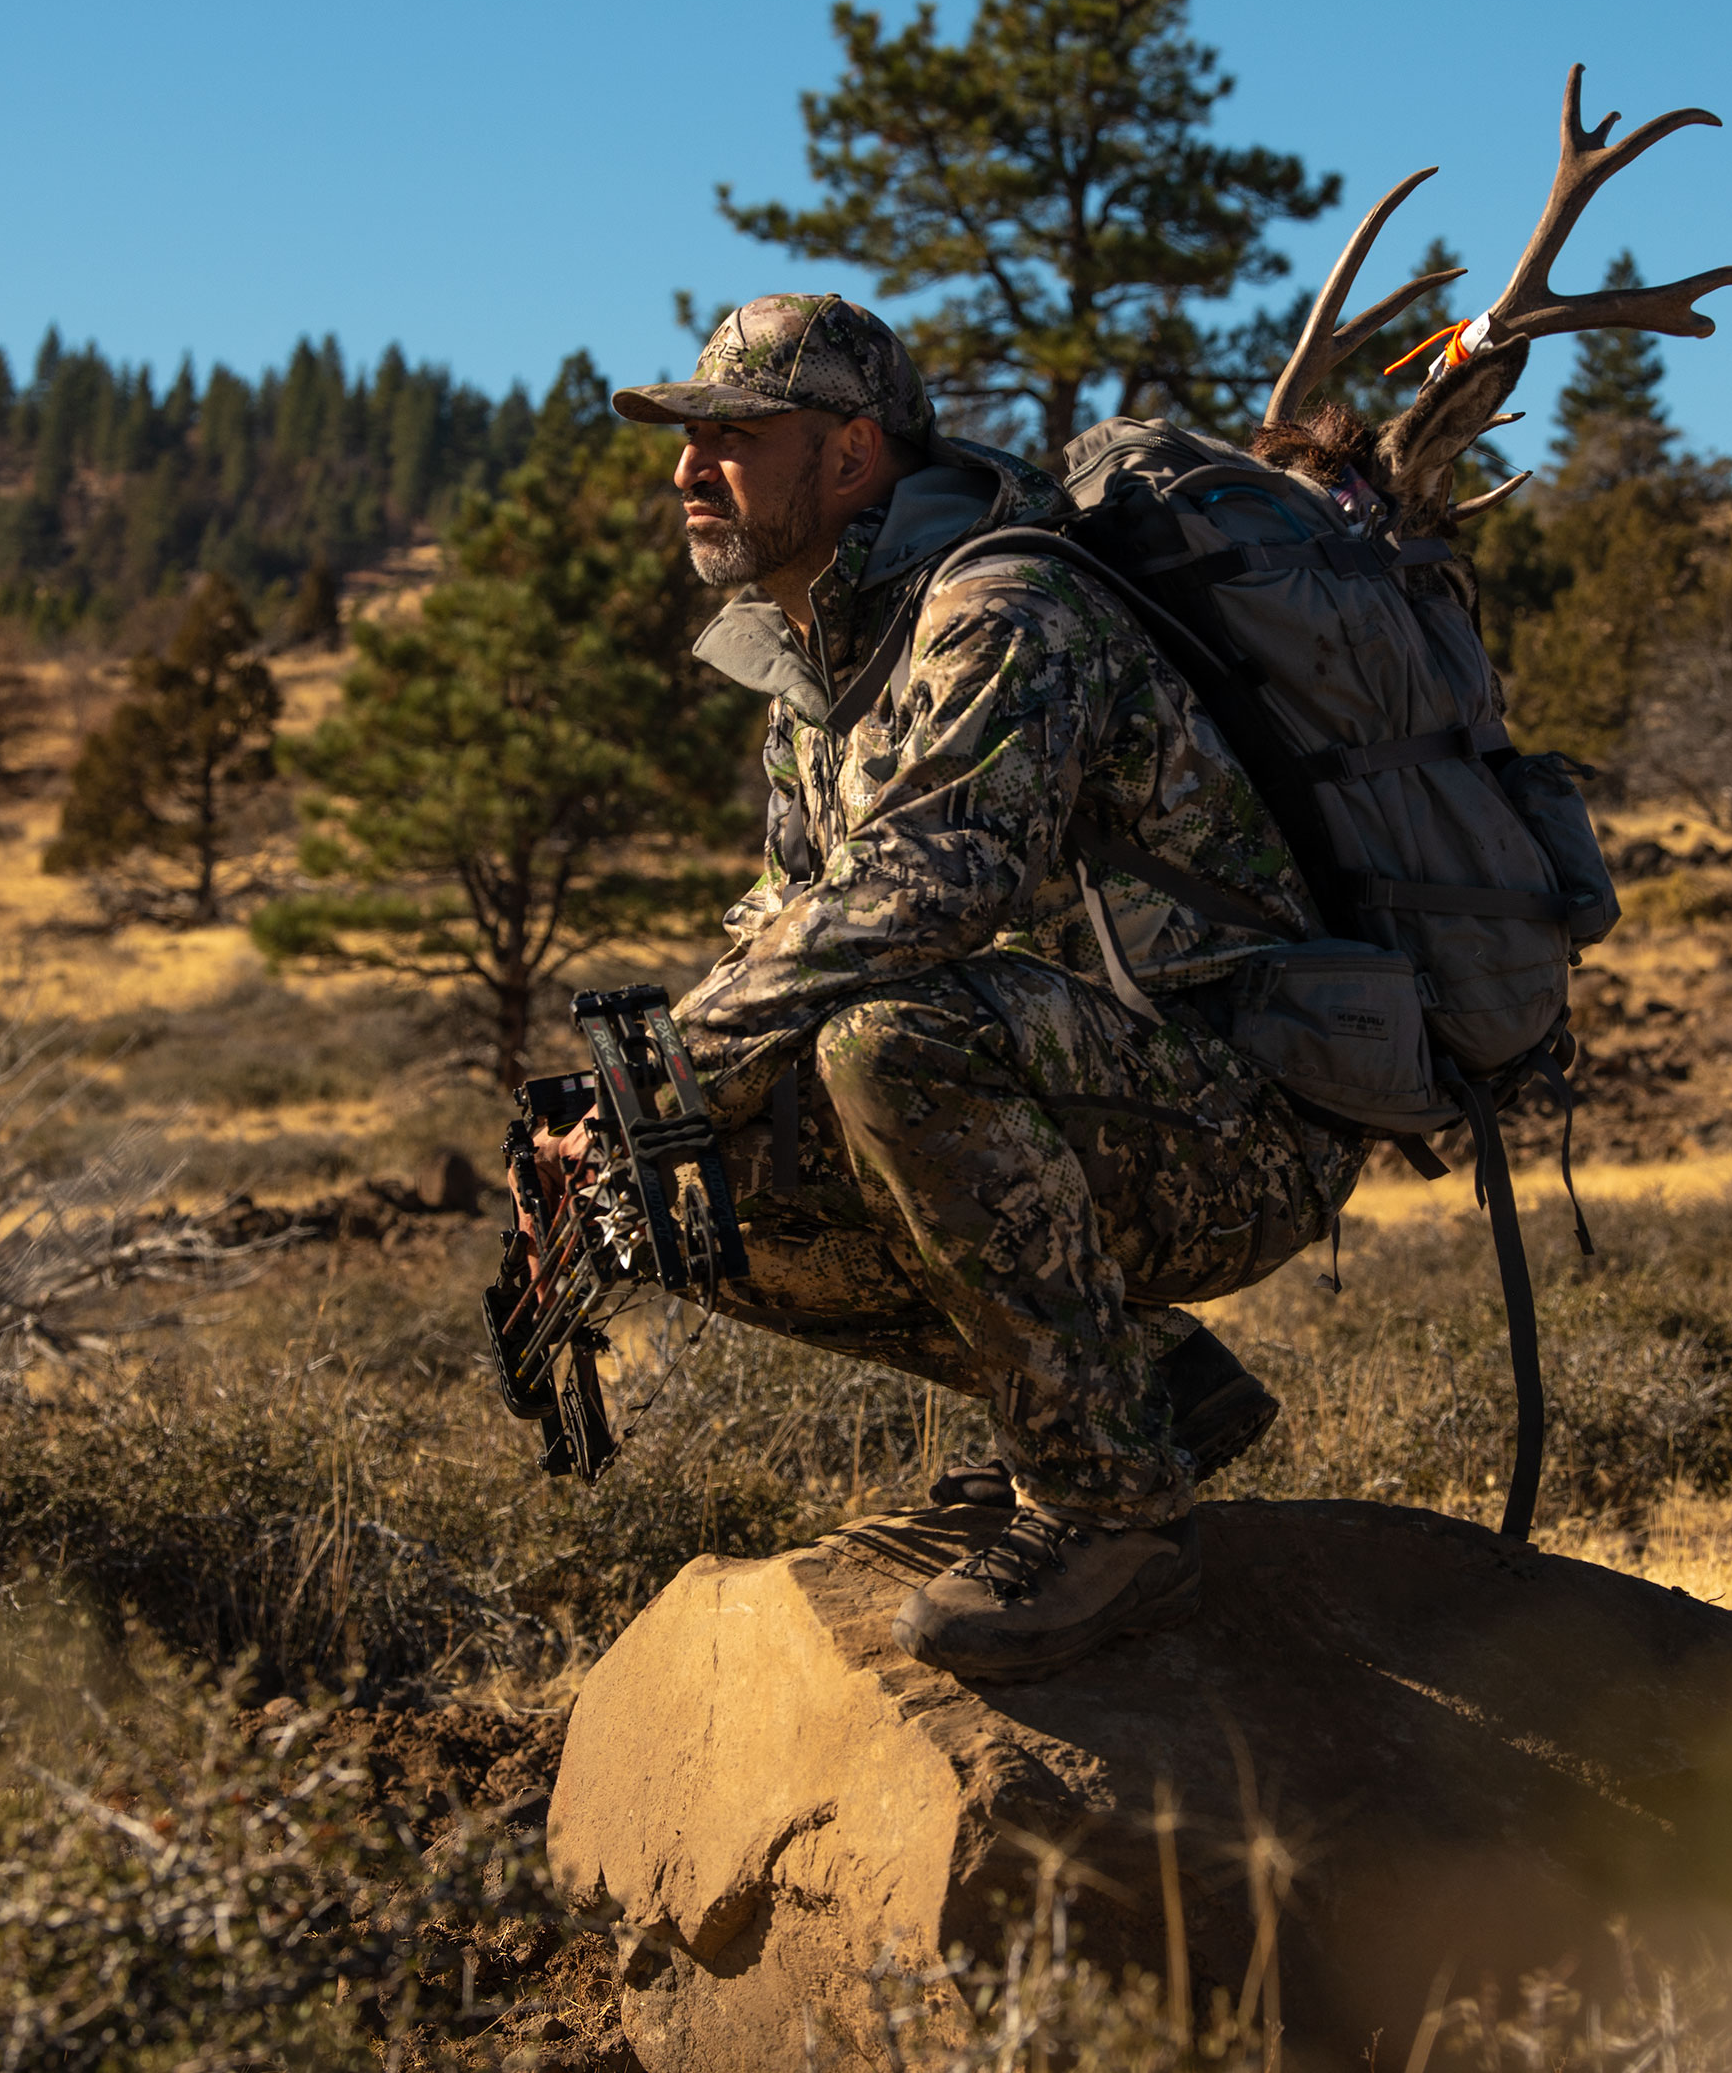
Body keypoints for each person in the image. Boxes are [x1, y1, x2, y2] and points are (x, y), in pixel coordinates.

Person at [542, 293, 1367, 1682]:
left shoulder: (1004, 607)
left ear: (852, 451)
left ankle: (1114, 1510)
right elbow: (786, 914)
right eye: (690, 442)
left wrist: (660, 1076)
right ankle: (1133, 1387)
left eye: (733, 436)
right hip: (1074, 1092)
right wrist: (625, 1114)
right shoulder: (816, 661)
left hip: (1241, 1119)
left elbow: (930, 891)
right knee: (670, 1187)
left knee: (886, 1042)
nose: (688, 472)